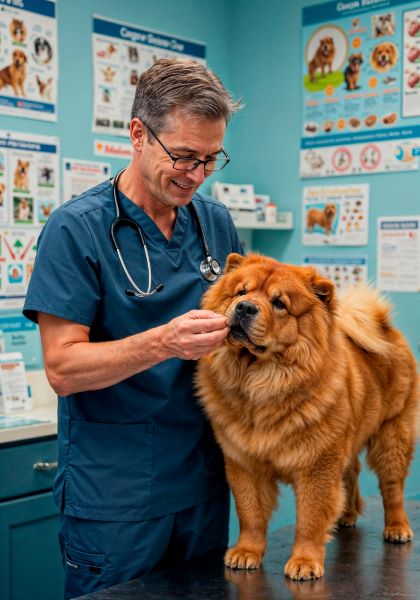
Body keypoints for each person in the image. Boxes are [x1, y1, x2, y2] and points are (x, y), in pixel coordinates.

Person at [23, 58, 243, 599]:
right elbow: (63, 368)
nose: (196, 173)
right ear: (139, 134)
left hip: (203, 485)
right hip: (115, 498)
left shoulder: (215, 223)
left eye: (210, 160)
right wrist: (164, 340)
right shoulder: (76, 229)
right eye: (184, 156)